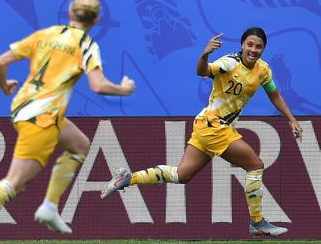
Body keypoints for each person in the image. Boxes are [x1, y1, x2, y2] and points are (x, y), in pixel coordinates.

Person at [0, 0, 136, 243]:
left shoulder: (46, 34)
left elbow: (1, 61)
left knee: (79, 146)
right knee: (15, 182)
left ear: (70, 13)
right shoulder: (87, 45)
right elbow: (98, 86)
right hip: (43, 117)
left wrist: (4, 86)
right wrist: (123, 89)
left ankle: (49, 207)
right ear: (97, 19)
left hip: (24, 107)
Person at [101, 28, 303, 237]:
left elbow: (275, 95)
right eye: (249, 45)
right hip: (215, 125)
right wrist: (205, 54)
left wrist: (291, 119)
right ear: (242, 45)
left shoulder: (263, 70)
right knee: (255, 165)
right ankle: (257, 222)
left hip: (205, 125)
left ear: (263, 49)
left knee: (181, 175)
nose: (253, 49)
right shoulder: (229, 63)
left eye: (258, 46)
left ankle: (127, 178)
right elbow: (202, 71)